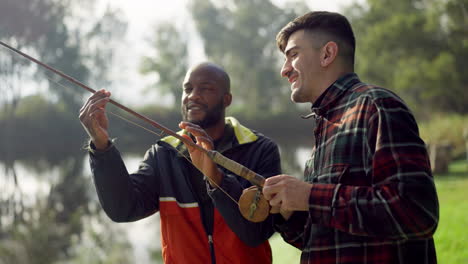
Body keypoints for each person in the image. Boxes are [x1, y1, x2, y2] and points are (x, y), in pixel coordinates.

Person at [262, 11, 439, 264]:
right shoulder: (326, 126)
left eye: (293, 55)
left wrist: (310, 196)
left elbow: (417, 214)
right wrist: (289, 212)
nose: (284, 70)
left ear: (327, 54)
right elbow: (323, 241)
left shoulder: (377, 106)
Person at [79, 62, 280, 263]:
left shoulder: (260, 149)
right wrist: (101, 145)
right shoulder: (163, 153)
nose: (193, 95)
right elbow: (123, 208)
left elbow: (257, 233)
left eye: (206, 88)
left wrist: (215, 177)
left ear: (226, 99)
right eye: (188, 89)